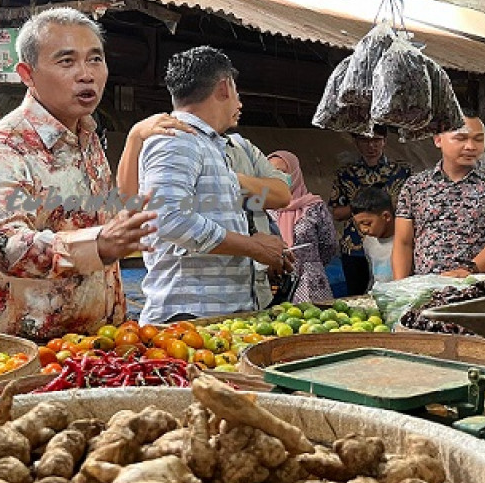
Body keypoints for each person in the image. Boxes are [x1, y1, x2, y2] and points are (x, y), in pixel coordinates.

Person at [0, 8, 155, 339]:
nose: (86, 74)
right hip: (28, 351)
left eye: (95, 59)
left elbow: (95, 221)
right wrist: (98, 244)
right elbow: (2, 243)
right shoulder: (3, 147)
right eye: (67, 62)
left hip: (98, 342)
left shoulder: (88, 136)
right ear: (27, 74)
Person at [137, 46, 289, 324]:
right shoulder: (177, 139)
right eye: (237, 91)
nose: (239, 103)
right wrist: (253, 247)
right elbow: (169, 220)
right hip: (189, 316)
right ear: (224, 87)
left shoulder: (207, 144)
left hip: (214, 315)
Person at [117, 116, 291, 307]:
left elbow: (282, 195)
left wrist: (227, 178)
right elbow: (154, 213)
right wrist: (134, 138)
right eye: (233, 92)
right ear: (221, 90)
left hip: (251, 291)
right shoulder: (172, 140)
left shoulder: (241, 147)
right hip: (193, 299)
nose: (240, 105)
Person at [393, 116, 485, 279]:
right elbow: (403, 242)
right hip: (427, 291)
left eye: (478, 139)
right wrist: (399, 287)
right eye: (461, 138)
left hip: (480, 288)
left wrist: (467, 271)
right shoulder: (414, 186)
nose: (470, 146)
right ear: (438, 140)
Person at [329, 130, 411, 294]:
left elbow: (412, 207)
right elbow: (336, 213)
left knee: (399, 289)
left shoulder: (402, 172)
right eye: (364, 141)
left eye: (376, 140)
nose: (371, 146)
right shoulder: (345, 174)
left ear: (385, 141)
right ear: (355, 142)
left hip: (394, 242)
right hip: (354, 247)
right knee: (357, 296)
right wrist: (365, 205)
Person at [268, 150, 338, 303]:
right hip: (273, 282)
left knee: (314, 323)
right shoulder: (262, 207)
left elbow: (329, 244)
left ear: (294, 173)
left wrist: (310, 263)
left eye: (282, 172)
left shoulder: (314, 206)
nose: (277, 177)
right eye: (271, 172)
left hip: (309, 282)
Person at [351, 187, 397, 286]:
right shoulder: (368, 242)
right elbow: (373, 277)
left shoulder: (404, 240)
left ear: (386, 216)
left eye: (367, 223)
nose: (363, 229)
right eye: (358, 224)